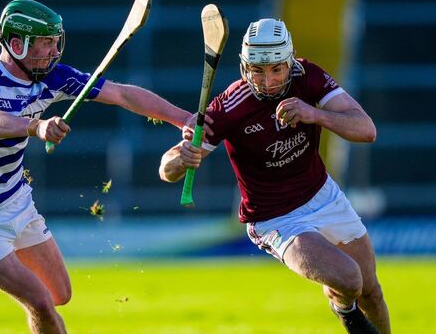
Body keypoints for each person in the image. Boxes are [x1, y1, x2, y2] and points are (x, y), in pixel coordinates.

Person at [0, 0, 194, 334]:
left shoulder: (53, 77)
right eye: (46, 43)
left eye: (57, 42)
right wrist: (35, 126)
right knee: (39, 300)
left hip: (16, 201)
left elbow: (123, 95)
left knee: (59, 294)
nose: (55, 51)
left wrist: (182, 118)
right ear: (17, 44)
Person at [159, 18, 390, 334]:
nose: (267, 80)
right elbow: (167, 168)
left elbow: (367, 130)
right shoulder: (229, 107)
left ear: (290, 62)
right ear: (245, 68)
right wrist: (181, 159)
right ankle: (344, 310)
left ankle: (348, 305)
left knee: (371, 291)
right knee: (349, 279)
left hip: (323, 195)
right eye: (257, 70)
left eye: (276, 69)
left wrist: (314, 114)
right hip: (276, 220)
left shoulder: (308, 78)